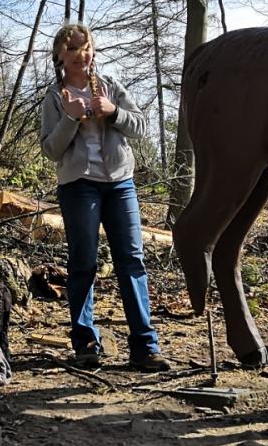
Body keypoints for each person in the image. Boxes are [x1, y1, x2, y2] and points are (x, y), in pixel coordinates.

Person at [39, 23, 171, 372]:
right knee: (83, 263)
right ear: (59, 56)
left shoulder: (111, 86)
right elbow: (51, 150)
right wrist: (70, 118)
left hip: (120, 184)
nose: (82, 55)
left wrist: (113, 112)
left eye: (87, 48)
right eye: (73, 49)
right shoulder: (55, 97)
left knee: (132, 261)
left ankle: (145, 346)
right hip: (79, 185)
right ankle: (85, 344)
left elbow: (141, 127)